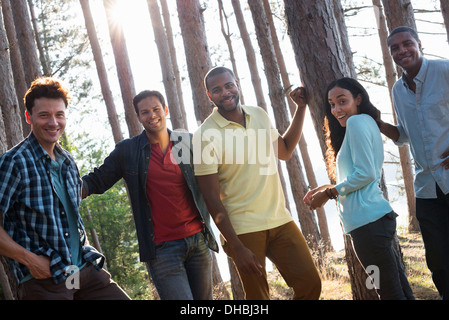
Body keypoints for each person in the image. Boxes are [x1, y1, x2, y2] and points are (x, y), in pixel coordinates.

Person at [193, 66, 321, 300]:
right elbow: (211, 198)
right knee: (258, 299)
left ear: (237, 84)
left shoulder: (258, 115)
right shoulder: (204, 136)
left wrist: (301, 108)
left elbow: (284, 151)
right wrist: (236, 246)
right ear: (209, 96)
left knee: (310, 283)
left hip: (279, 219)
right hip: (243, 229)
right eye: (217, 90)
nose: (226, 92)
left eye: (229, 85)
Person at [0, 77, 130, 300]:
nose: (53, 122)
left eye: (59, 114)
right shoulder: (14, 163)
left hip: (84, 271)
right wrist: (30, 261)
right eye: (44, 115)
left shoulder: (68, 162)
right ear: (28, 117)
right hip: (45, 281)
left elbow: (70, 218)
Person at [81, 90, 218, 300]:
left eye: (156, 109)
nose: (152, 115)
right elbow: (96, 181)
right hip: (163, 250)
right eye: (145, 112)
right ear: (138, 117)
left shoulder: (187, 142)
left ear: (165, 110)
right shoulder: (128, 151)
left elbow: (214, 180)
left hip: (198, 242)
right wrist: (62, 189)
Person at [304, 77, 414, 300]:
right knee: (399, 290)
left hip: (368, 225)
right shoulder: (364, 123)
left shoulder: (357, 123)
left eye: (342, 101)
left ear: (358, 99)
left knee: (390, 293)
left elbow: (366, 174)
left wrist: (328, 194)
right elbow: (360, 173)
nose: (336, 109)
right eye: (332, 104)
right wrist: (328, 187)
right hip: (372, 222)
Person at [378, 26, 449, 299]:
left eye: (407, 43)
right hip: (427, 189)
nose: (401, 50)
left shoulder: (444, 71)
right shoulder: (398, 90)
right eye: (394, 47)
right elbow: (405, 134)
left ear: (420, 43)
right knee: (439, 259)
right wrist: (378, 122)